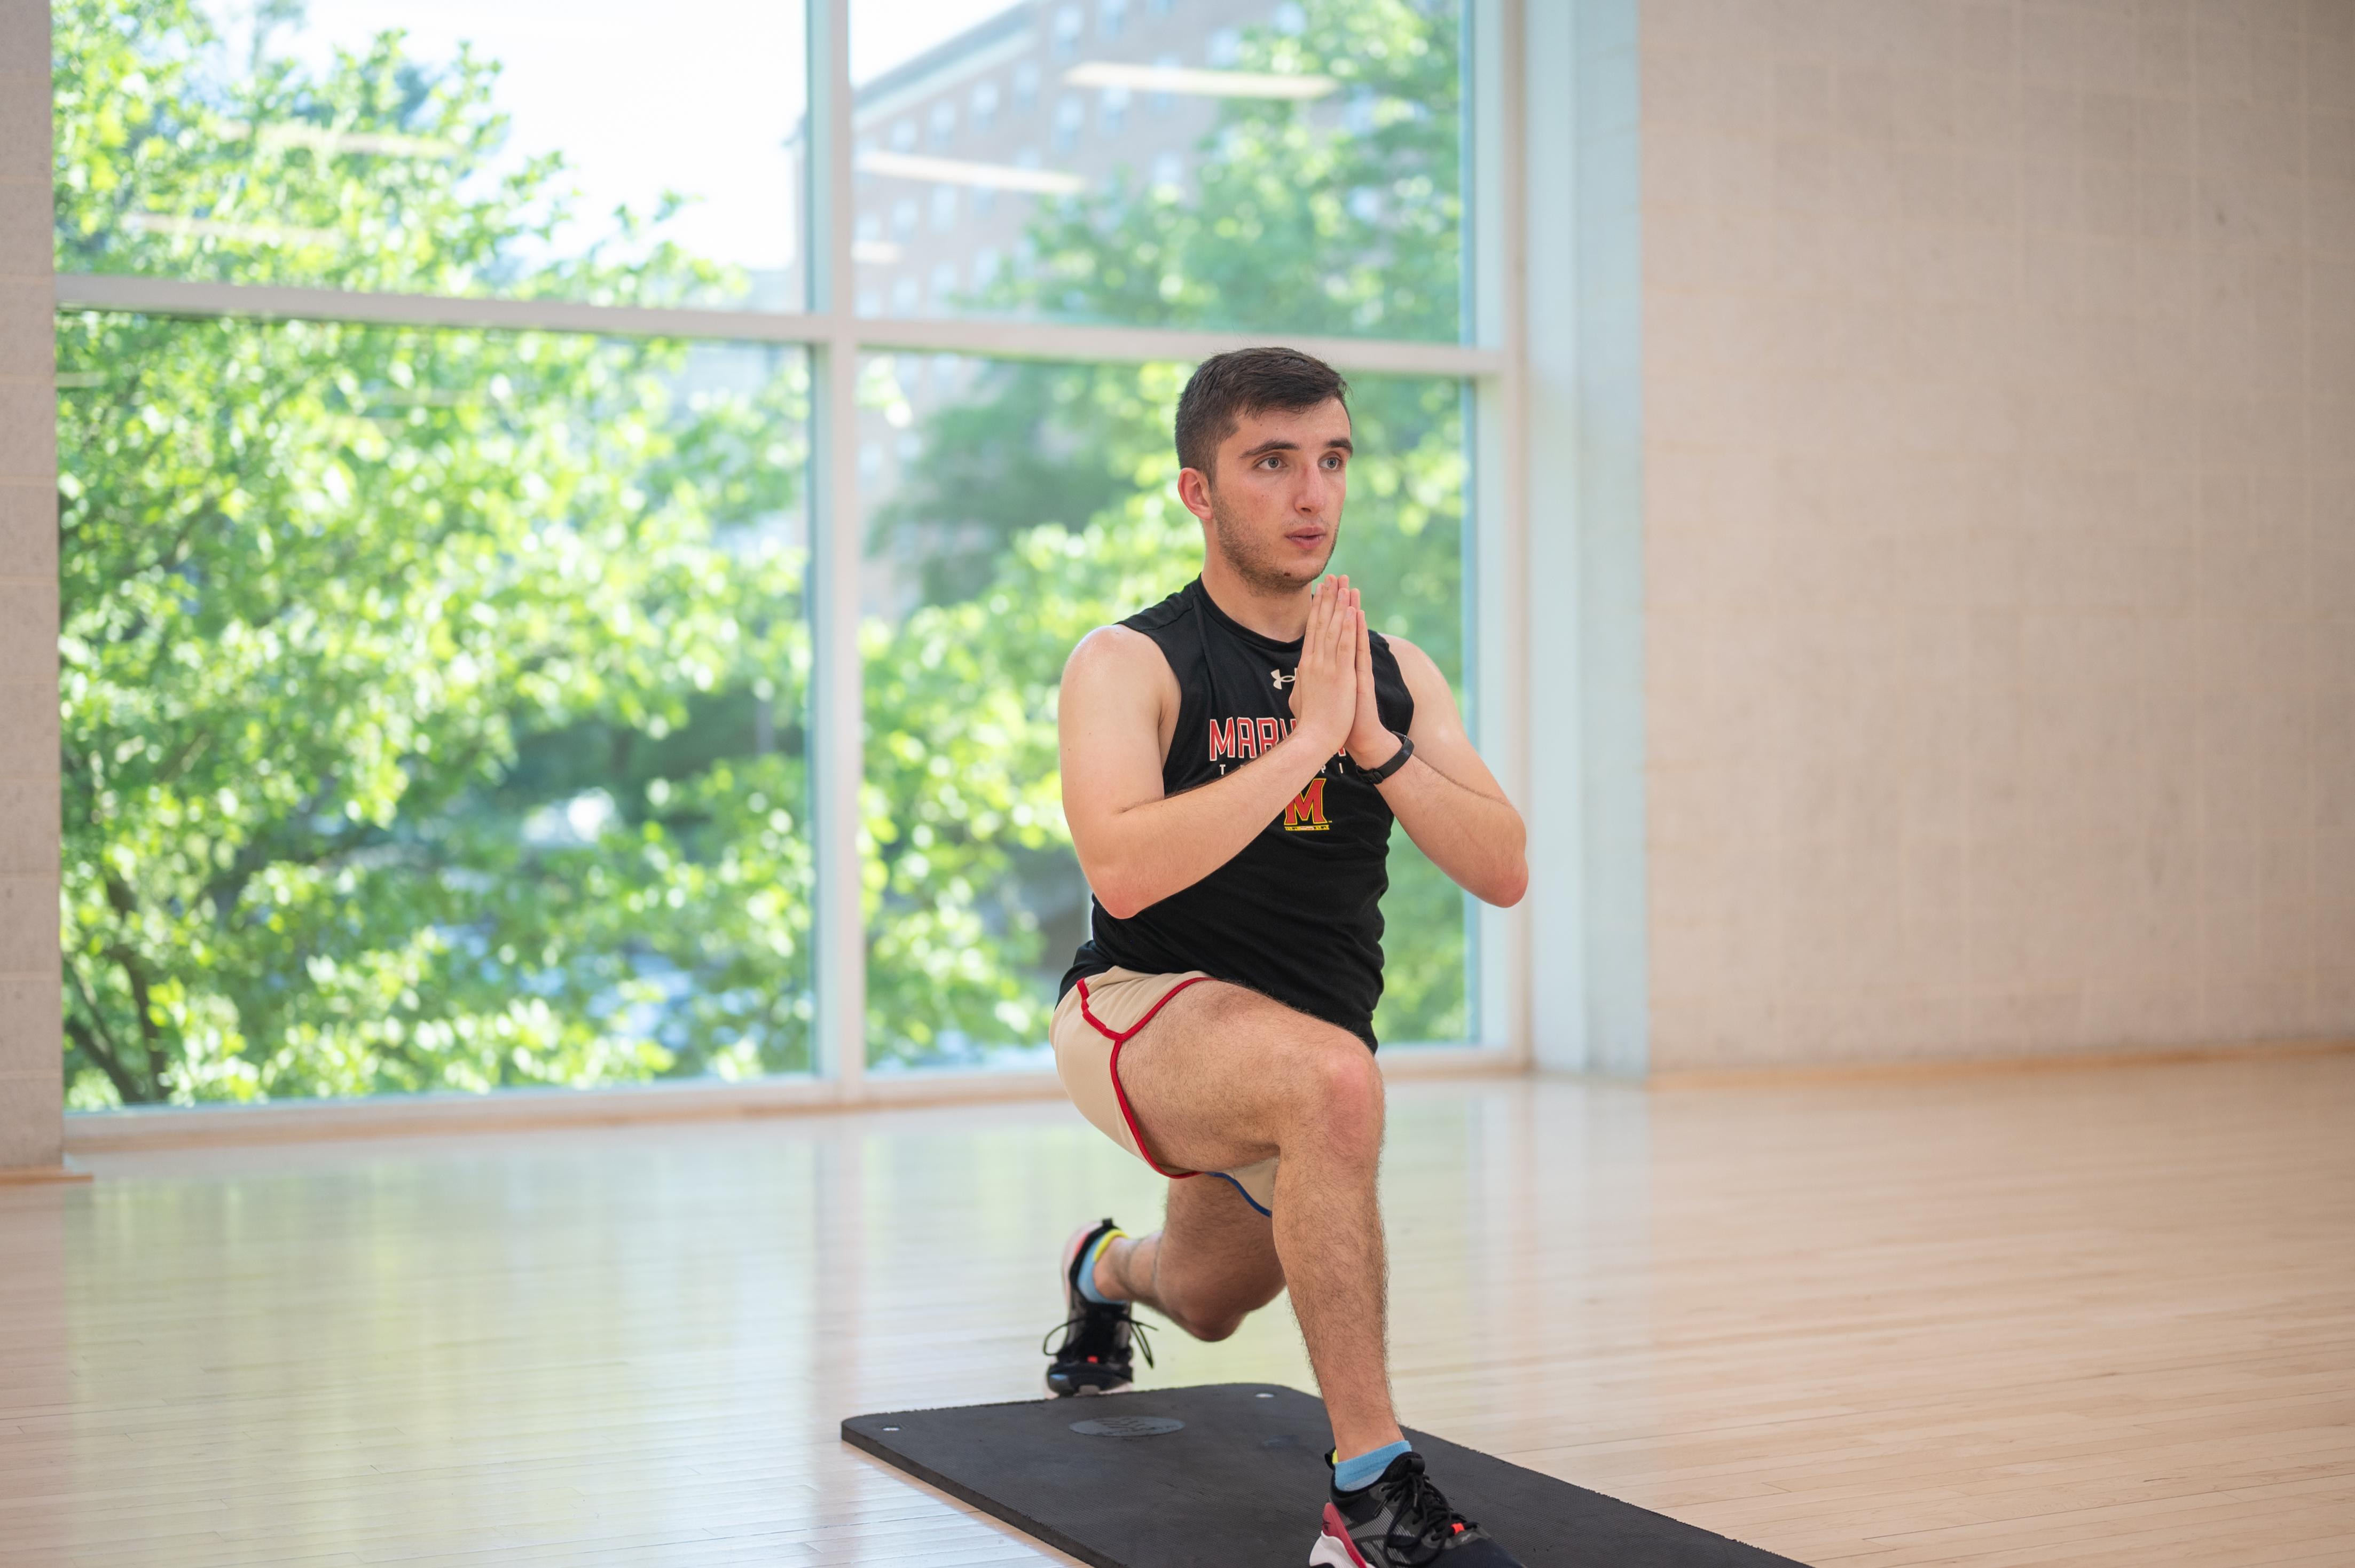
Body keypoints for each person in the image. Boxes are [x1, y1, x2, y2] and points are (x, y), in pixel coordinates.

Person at [1041, 346, 1529, 1567]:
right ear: (1199, 492)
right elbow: (1125, 869)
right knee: (1333, 1080)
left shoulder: (1396, 674)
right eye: (1272, 463)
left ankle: (1102, 1270)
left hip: (1291, 1059)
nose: (1313, 494)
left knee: (1206, 1301)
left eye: (1332, 460)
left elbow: (1504, 865)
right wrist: (1307, 739)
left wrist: (1372, 741)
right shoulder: (1130, 662)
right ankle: (1367, 1500)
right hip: (1140, 1013)